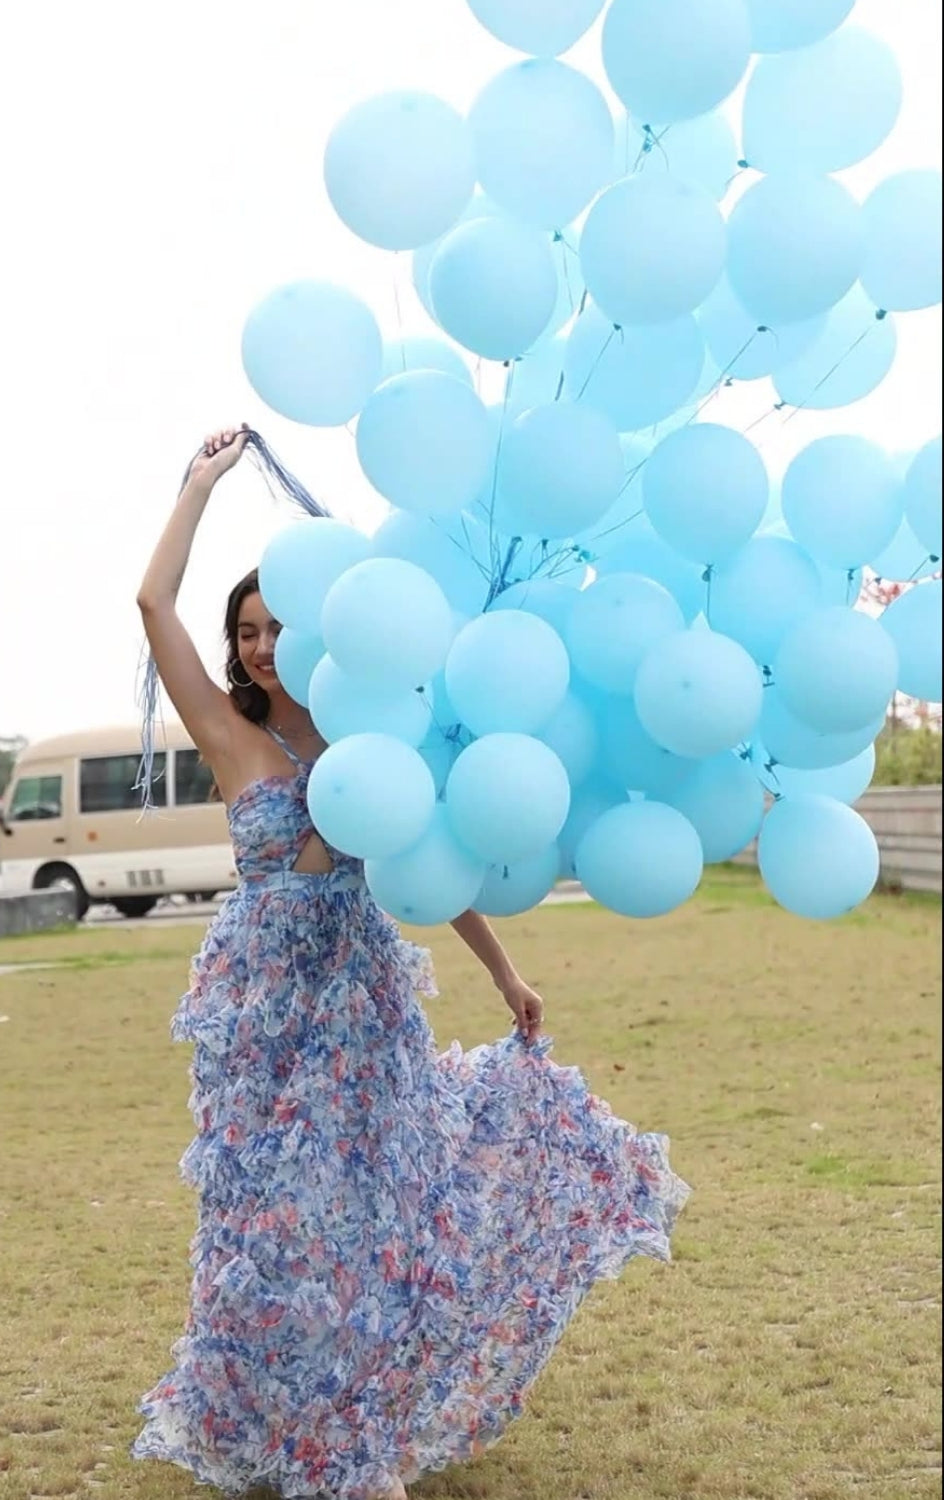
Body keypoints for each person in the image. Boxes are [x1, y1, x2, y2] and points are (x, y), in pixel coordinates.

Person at [132, 427, 689, 1500]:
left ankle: (354, 1436)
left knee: (374, 1214)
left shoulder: (368, 729)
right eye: (245, 631)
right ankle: (275, 1421)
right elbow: (152, 608)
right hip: (258, 1014)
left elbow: (430, 862)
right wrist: (198, 486)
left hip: (361, 1002)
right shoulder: (226, 733)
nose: (258, 647)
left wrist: (504, 975)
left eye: (278, 626)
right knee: (270, 1223)